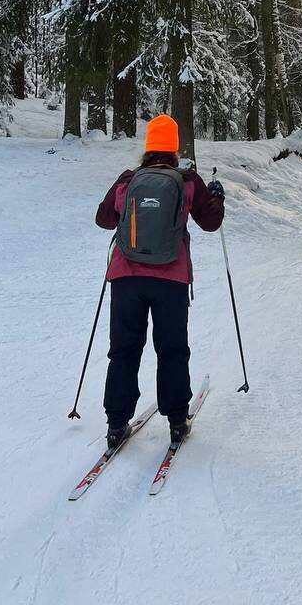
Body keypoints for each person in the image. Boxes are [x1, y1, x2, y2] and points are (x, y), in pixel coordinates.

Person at [95, 114, 224, 449]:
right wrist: (217, 197)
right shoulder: (187, 180)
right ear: (175, 146)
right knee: (171, 349)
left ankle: (115, 423)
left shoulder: (129, 179)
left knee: (123, 350)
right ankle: (178, 421)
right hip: (171, 280)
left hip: (126, 279)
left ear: (148, 145)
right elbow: (211, 222)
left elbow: (103, 218)